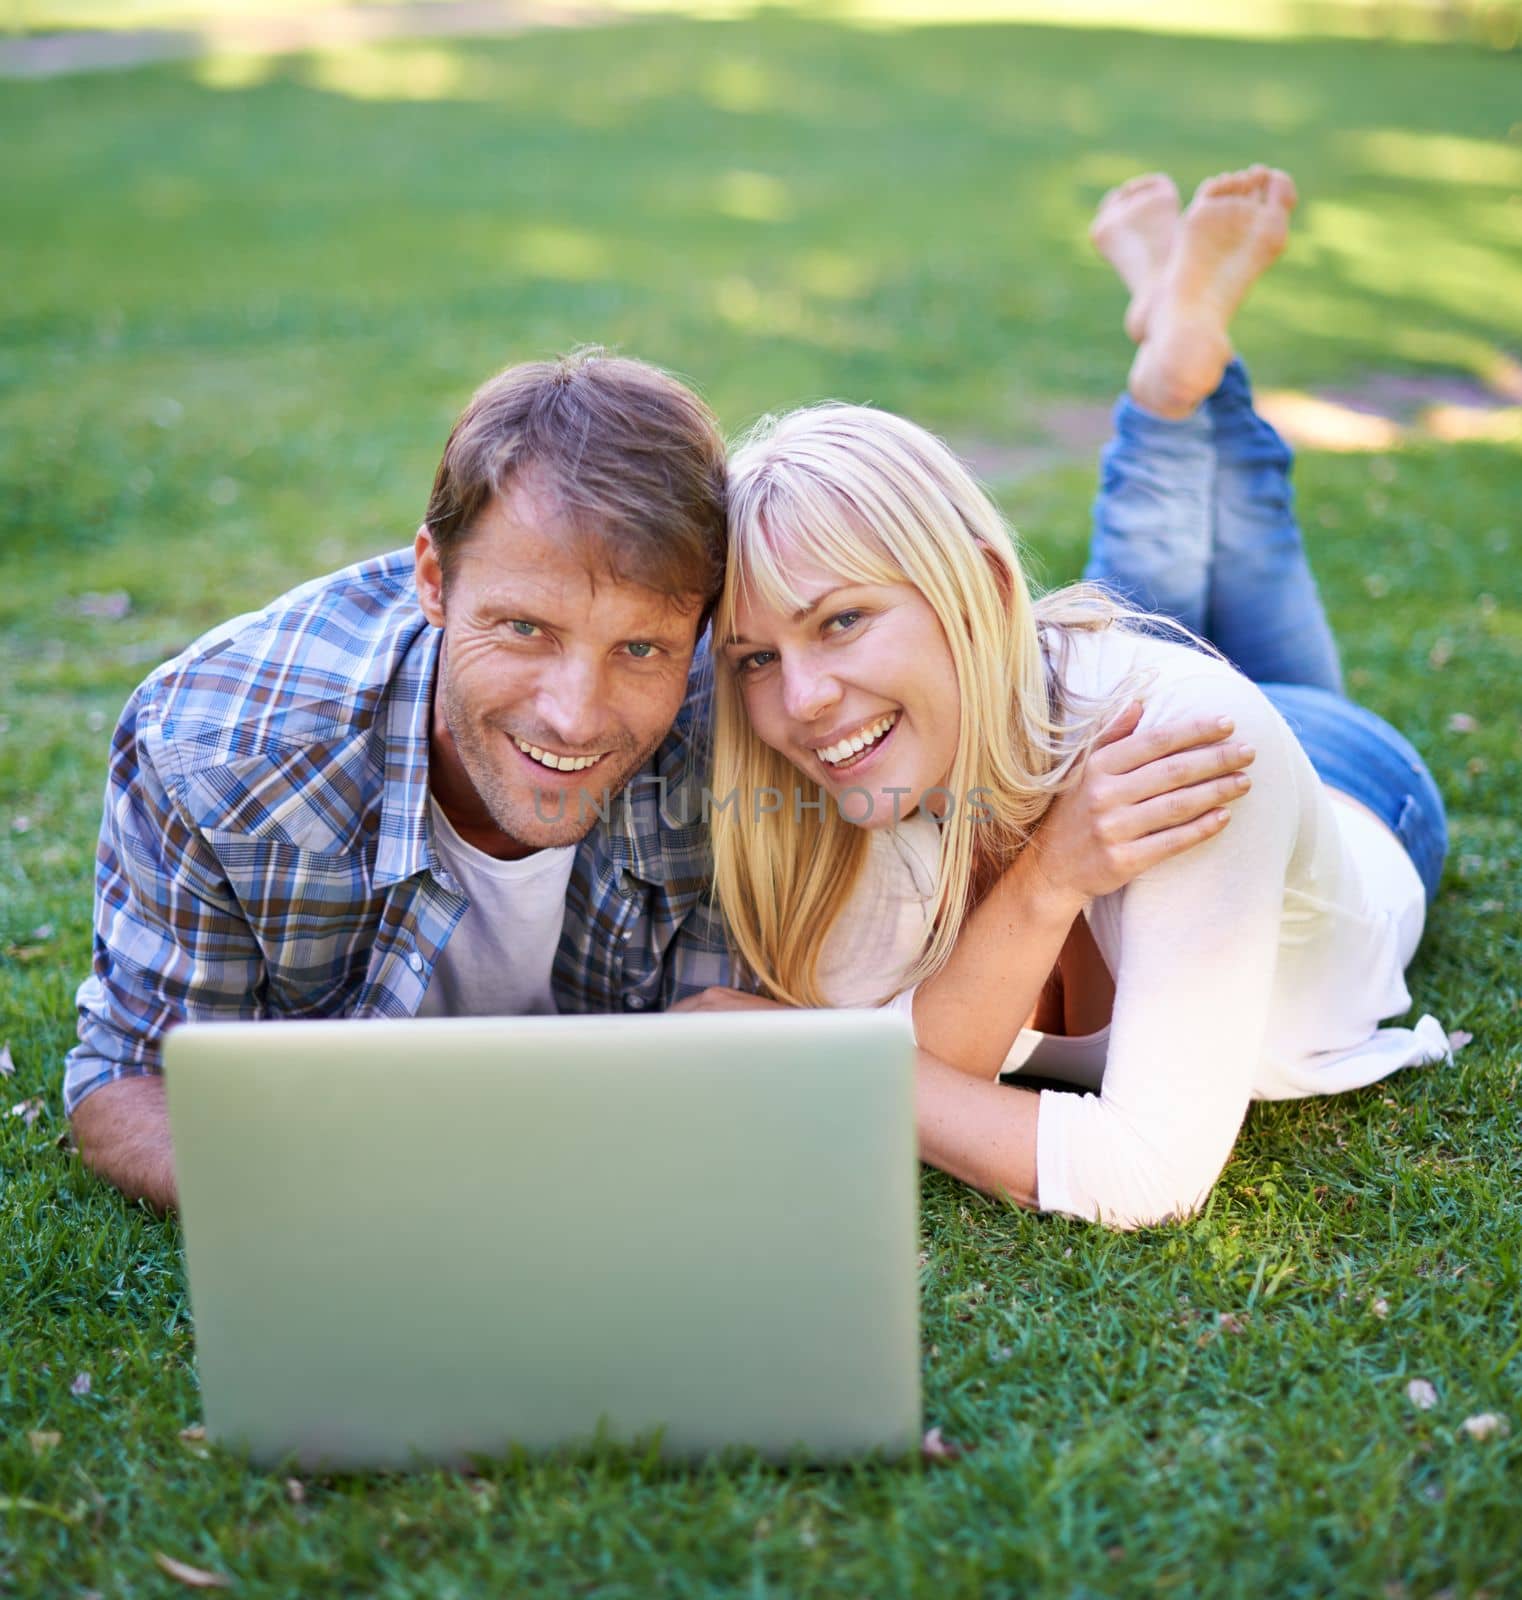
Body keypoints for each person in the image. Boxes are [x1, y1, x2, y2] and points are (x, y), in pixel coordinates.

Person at [65, 348, 1244, 1212]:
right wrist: (292, 1198)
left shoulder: (751, 729)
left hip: (1282, 766)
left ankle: (1177, 403)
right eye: (521, 627)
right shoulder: (215, 755)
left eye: (640, 648)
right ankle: (1173, 399)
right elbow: (125, 1075)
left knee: (1166, 643)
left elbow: (855, 1067)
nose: (574, 717)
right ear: (431, 577)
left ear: (697, 631)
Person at [695, 167, 1451, 1229]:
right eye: (754, 658)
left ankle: (1179, 372)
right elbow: (935, 1057)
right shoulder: (846, 766)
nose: (805, 699)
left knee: (1238, 598)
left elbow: (1147, 1176)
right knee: (1103, 637)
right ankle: (1175, 339)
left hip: (1353, 784)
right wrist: (1051, 878)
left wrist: (790, 1044)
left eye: (841, 620)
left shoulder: (1194, 740)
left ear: (983, 593)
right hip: (1049, 692)